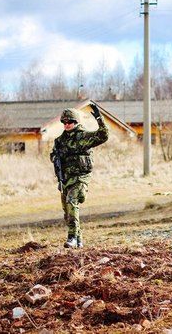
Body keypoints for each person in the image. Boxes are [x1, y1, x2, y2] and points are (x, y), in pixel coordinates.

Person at [50, 104, 108, 248]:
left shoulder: (83, 136)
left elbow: (103, 136)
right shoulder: (59, 141)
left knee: (72, 202)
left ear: (76, 122)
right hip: (66, 179)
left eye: (70, 122)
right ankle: (79, 239)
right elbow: (53, 155)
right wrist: (55, 158)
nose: (67, 124)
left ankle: (71, 238)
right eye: (64, 122)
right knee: (67, 211)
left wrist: (100, 120)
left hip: (81, 177)